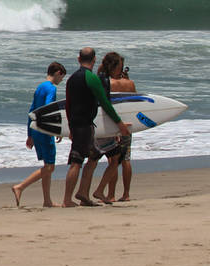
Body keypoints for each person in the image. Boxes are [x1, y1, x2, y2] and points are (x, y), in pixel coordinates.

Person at [62, 47, 131, 207]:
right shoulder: (91, 78)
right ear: (93, 60)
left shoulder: (71, 79)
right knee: (77, 162)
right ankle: (67, 200)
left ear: (79, 59)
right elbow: (105, 103)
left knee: (91, 159)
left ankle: (83, 194)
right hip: (85, 125)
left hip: (78, 124)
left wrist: (70, 127)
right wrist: (119, 124)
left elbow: (68, 105)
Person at [12, 62, 66, 207]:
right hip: (44, 131)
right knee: (50, 167)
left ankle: (47, 201)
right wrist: (57, 129)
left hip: (35, 130)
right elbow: (49, 108)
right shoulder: (51, 88)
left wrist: (29, 134)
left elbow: (31, 111)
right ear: (58, 72)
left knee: (47, 165)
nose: (61, 81)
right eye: (62, 77)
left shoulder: (40, 87)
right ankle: (20, 187)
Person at [91, 52, 129, 204]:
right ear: (113, 67)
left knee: (95, 160)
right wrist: (118, 126)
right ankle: (100, 191)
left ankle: (92, 193)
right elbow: (105, 105)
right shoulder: (104, 81)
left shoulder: (98, 78)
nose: (120, 70)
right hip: (106, 125)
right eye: (119, 67)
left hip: (98, 125)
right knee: (116, 159)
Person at [100, 59, 136, 202]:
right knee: (126, 159)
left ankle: (111, 194)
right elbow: (135, 103)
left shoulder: (110, 83)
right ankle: (126, 194)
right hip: (128, 125)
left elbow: (107, 105)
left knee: (112, 160)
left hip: (115, 124)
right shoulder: (131, 83)